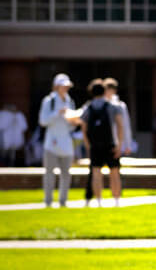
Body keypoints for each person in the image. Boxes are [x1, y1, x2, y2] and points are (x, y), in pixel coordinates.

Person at [79, 78, 125, 208]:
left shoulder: (88, 108)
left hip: (95, 146)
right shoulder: (112, 107)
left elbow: (83, 128)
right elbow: (120, 125)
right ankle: (116, 201)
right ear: (104, 91)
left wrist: (88, 145)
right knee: (114, 173)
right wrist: (119, 144)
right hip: (110, 144)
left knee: (96, 173)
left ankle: (99, 201)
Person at [38, 73, 76, 208]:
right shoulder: (49, 101)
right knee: (49, 173)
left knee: (66, 174)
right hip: (51, 144)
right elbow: (43, 121)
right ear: (57, 87)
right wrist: (57, 113)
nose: (65, 89)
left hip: (66, 143)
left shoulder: (70, 101)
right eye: (63, 86)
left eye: (67, 86)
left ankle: (63, 201)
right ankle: (48, 201)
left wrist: (74, 121)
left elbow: (70, 127)